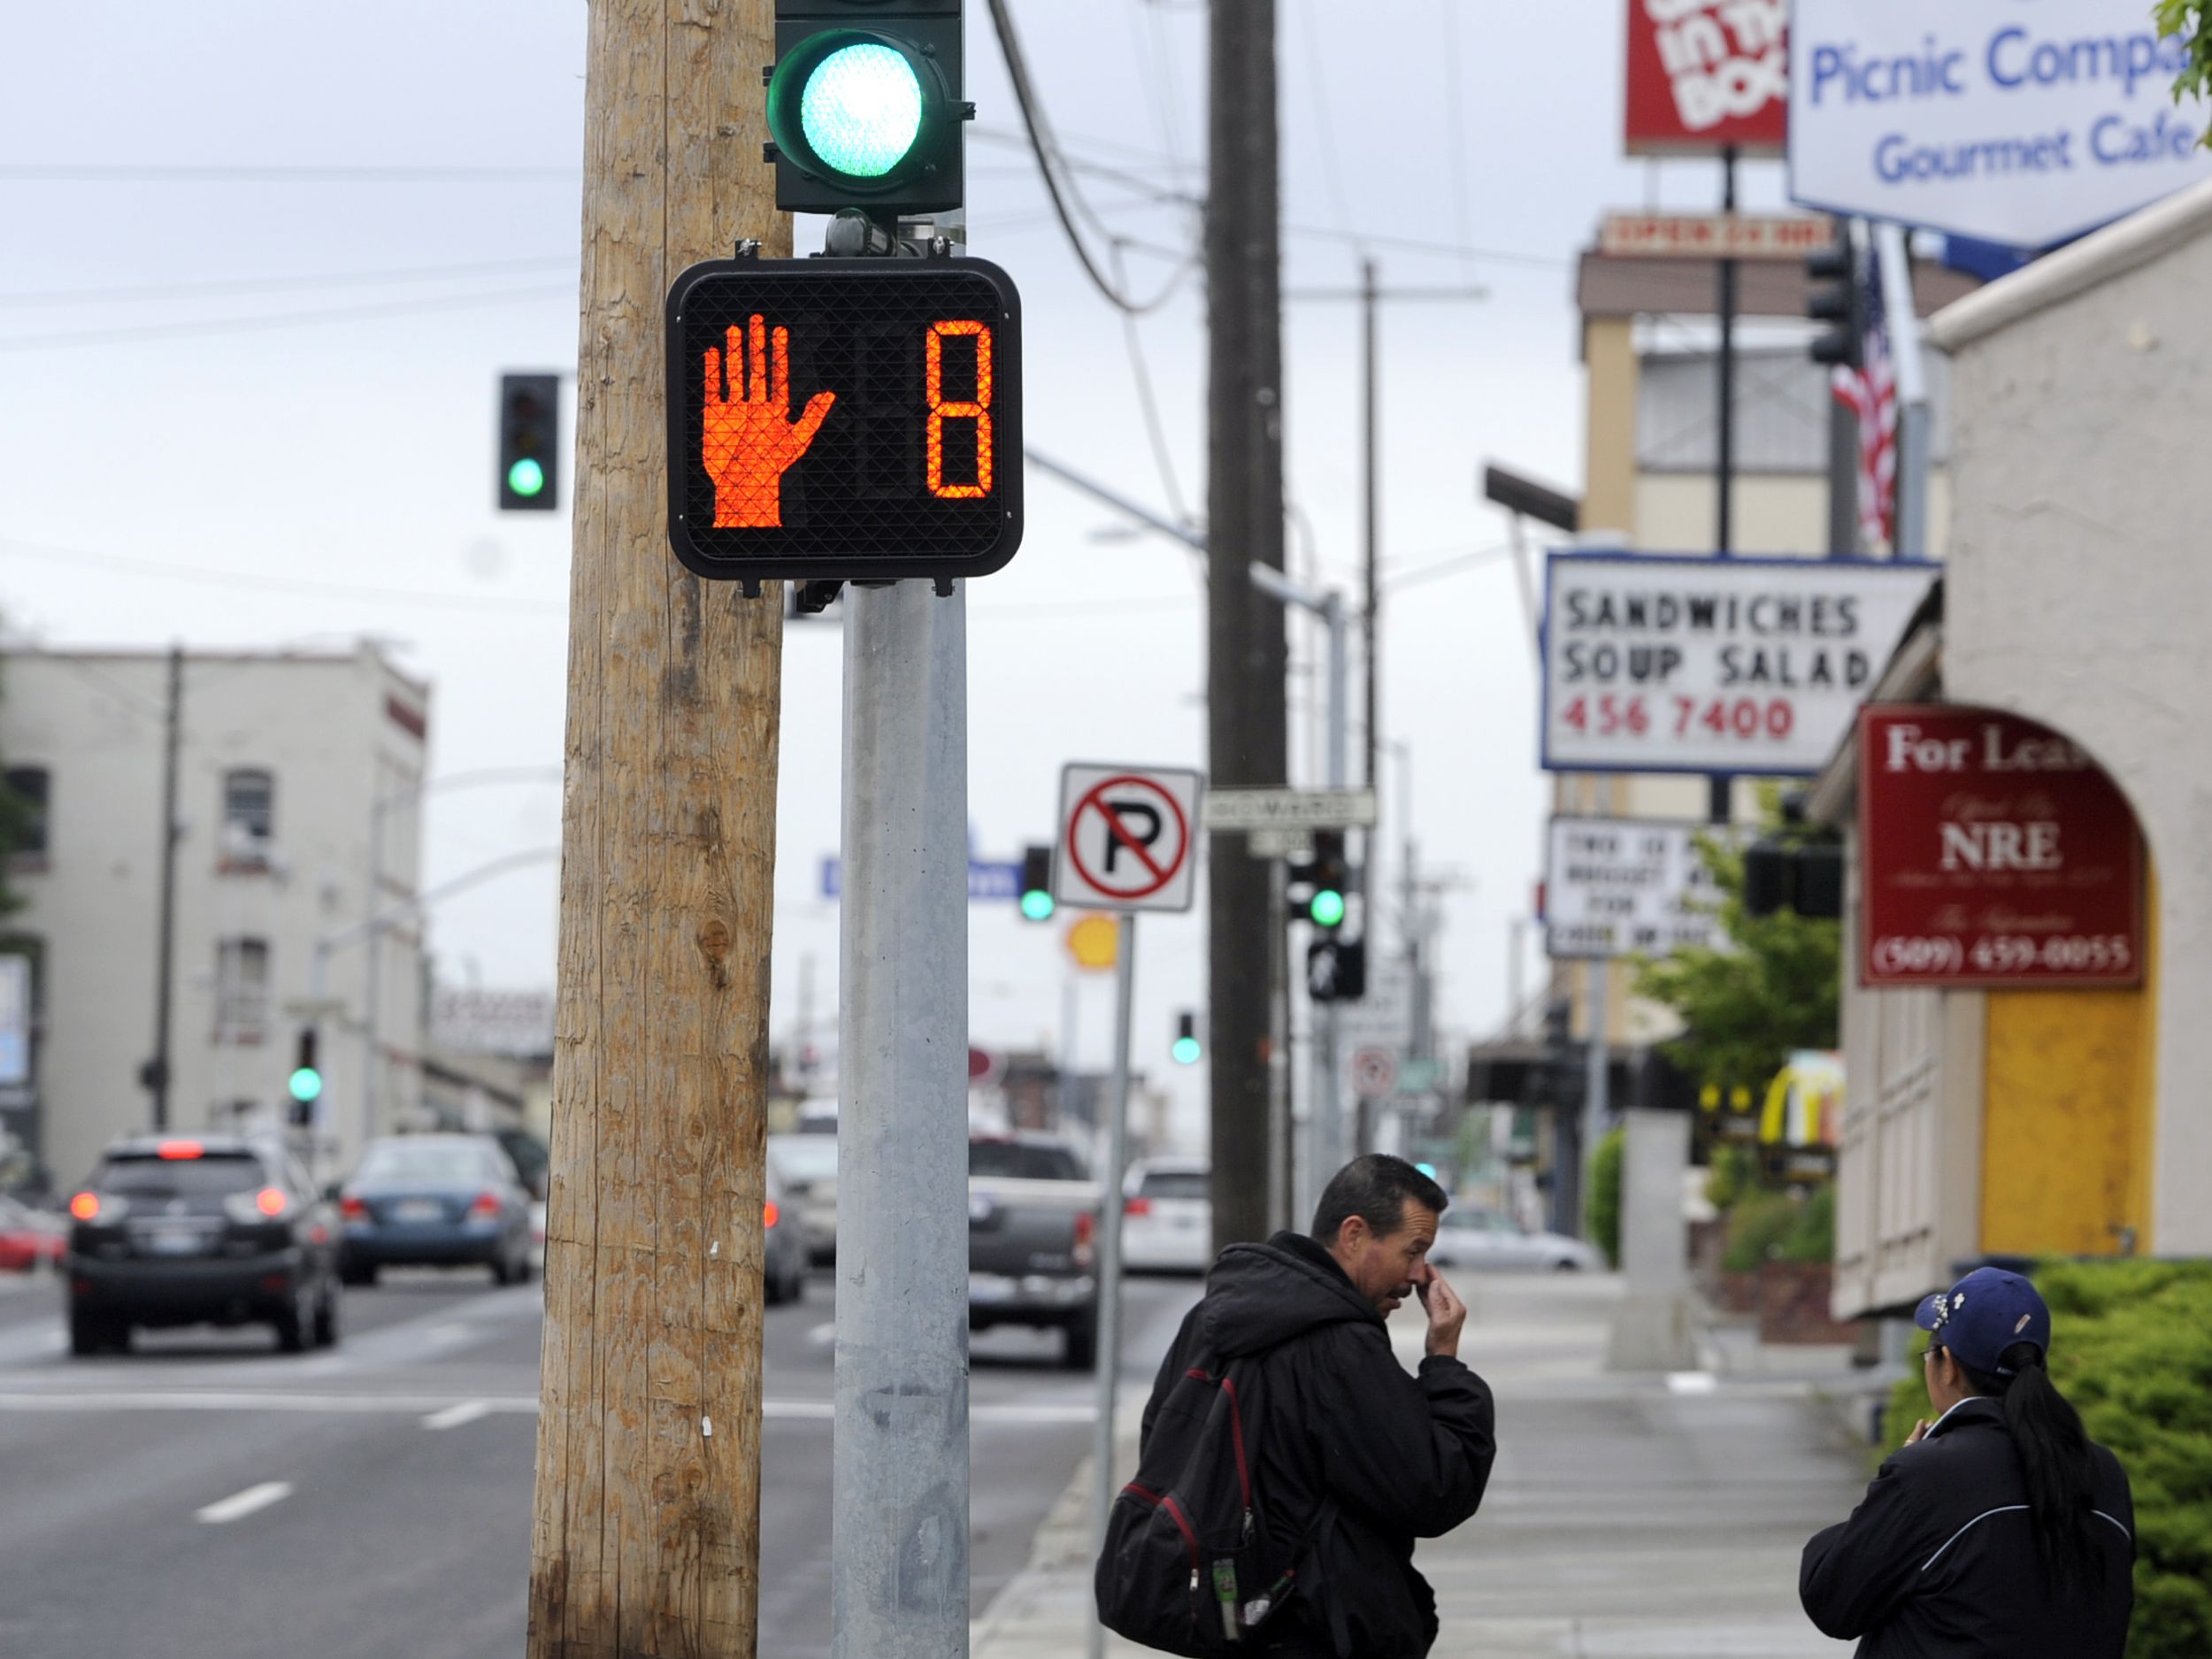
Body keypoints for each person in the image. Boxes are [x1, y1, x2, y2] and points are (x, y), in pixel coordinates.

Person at [1135, 1155, 1496, 1657]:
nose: (1418, 1276)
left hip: (1236, 1619)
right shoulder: (1339, 1345)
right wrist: (1445, 1364)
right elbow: (1435, 1489)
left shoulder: (1211, 1319)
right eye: (1412, 1251)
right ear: (1353, 1235)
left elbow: (1160, 1441)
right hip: (1320, 1625)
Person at [1800, 1265, 2134, 1656]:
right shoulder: (2104, 1471)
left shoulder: (1927, 1475)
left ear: (1947, 1364)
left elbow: (1831, 1599)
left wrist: (1892, 1486)